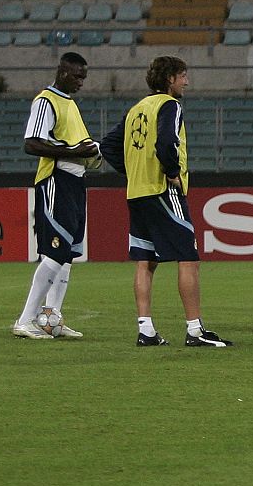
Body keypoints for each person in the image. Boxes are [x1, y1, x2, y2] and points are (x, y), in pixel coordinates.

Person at [97, 56, 231, 347]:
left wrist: (133, 170)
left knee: (145, 261)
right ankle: (195, 331)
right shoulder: (170, 105)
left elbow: (107, 145)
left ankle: (145, 330)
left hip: (137, 193)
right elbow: (167, 142)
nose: (186, 82)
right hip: (162, 190)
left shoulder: (136, 109)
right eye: (183, 76)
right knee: (188, 257)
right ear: (170, 78)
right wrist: (172, 172)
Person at [14, 52, 99, 340]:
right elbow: (32, 143)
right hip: (55, 180)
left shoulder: (70, 105)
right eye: (77, 76)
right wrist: (74, 152)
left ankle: (51, 318)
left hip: (75, 182)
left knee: (67, 253)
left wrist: (90, 153)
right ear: (62, 72)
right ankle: (25, 320)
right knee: (54, 250)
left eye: (83, 77)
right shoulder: (46, 101)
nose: (80, 82)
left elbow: (77, 144)